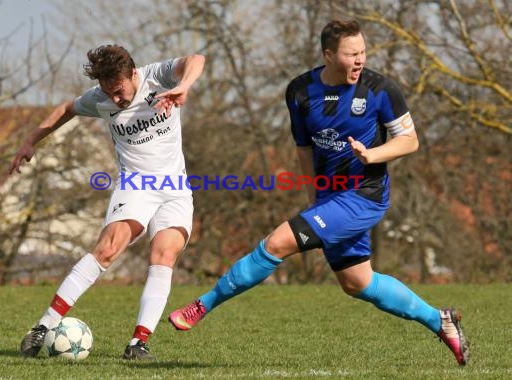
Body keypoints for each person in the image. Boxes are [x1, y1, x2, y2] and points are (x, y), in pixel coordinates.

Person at [168, 20, 469, 366]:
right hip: (330, 199)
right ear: (329, 54)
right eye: (351, 54)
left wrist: (373, 154)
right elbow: (303, 148)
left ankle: (202, 305)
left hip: (364, 197)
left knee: (275, 244)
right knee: (358, 282)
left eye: (363, 52)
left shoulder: (381, 89)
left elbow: (409, 140)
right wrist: (313, 195)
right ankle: (440, 320)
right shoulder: (299, 92)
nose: (360, 60)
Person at [10, 45, 205, 360]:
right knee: (108, 249)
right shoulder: (100, 98)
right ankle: (44, 326)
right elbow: (67, 109)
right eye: (108, 93)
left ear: (132, 74)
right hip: (136, 183)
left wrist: (183, 86)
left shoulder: (158, 76)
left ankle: (137, 344)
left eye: (119, 90)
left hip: (175, 188)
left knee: (164, 256)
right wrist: (30, 141)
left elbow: (196, 60)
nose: (115, 99)